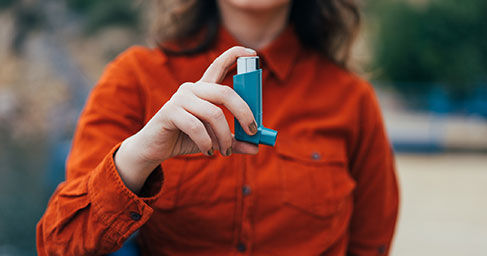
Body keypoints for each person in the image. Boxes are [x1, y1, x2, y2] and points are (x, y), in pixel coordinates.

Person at [37, 0, 399, 255]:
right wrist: (141, 154)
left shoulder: (352, 99)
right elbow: (58, 241)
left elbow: (371, 243)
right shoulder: (134, 78)